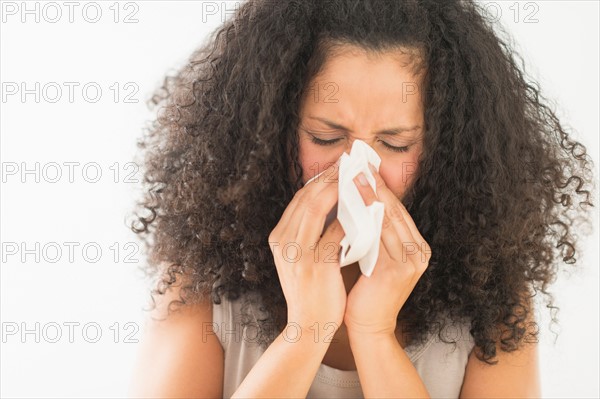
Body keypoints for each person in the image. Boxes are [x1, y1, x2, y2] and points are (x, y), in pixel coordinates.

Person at [128, 0, 596, 397]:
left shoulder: (493, 299)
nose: (357, 173)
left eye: (395, 144)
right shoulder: (198, 287)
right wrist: (307, 330)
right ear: (267, 133)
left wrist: (374, 335)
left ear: (443, 150)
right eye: (326, 136)